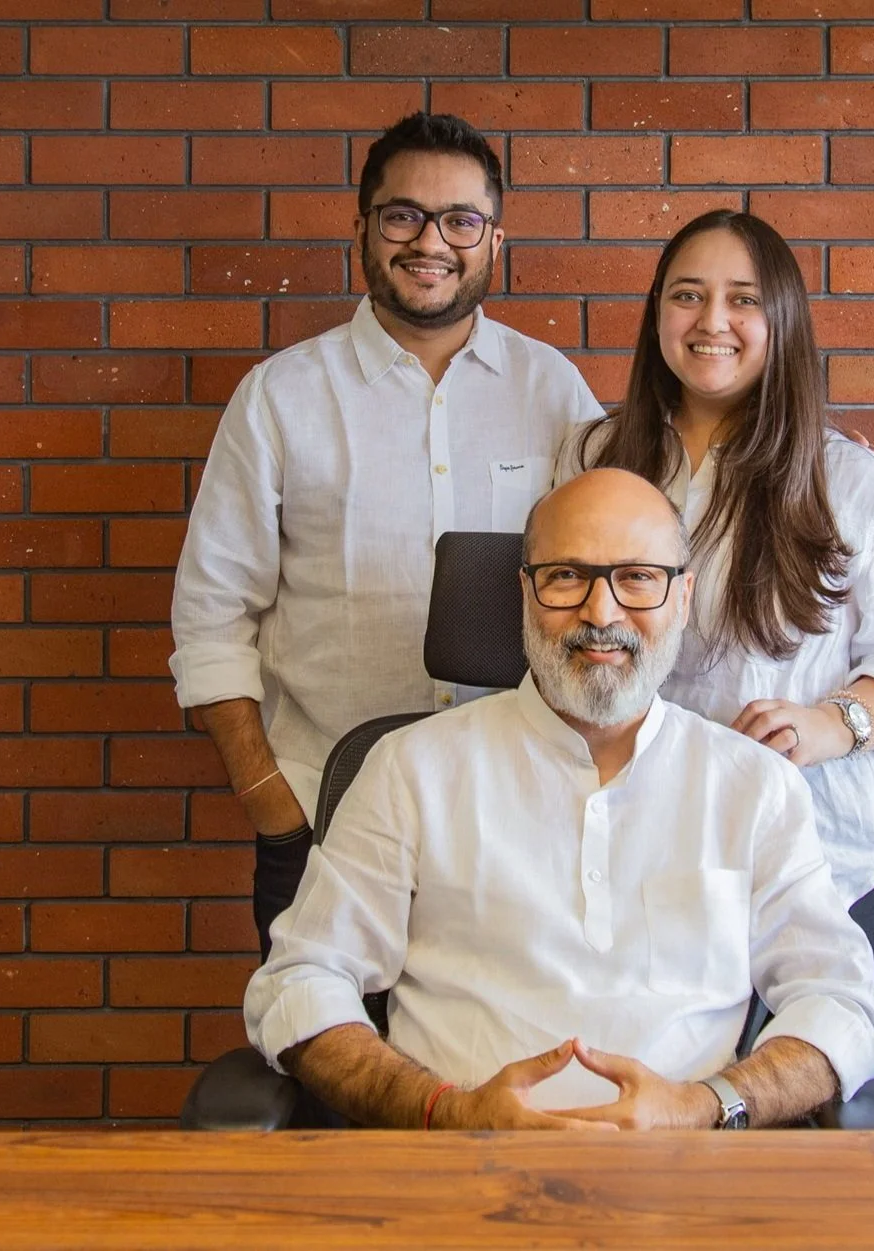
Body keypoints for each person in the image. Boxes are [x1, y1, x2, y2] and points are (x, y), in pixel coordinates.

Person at [245, 470, 874, 1130]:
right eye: (565, 576)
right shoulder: (411, 770)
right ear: (526, 591)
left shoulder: (753, 786)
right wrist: (446, 1111)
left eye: (638, 576)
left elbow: (840, 1002)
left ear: (684, 595)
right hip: (459, 1184)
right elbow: (299, 982)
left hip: (686, 1191)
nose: (601, 613)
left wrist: (703, 1105)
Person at [170, 113, 602, 953]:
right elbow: (211, 617)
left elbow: (602, 587)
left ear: (494, 240)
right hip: (325, 817)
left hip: (513, 819)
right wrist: (272, 802)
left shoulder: (554, 392)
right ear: (362, 226)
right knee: (331, 1065)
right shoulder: (280, 398)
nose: (430, 241)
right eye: (403, 215)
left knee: (492, 1065)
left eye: (461, 221)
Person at [560, 209, 874, 1007]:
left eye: (743, 299)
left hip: (821, 866)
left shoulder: (863, 490)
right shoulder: (592, 457)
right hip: (645, 860)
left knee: (796, 1111)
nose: (713, 321)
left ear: (782, 320)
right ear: (656, 318)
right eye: (687, 296)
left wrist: (830, 723)